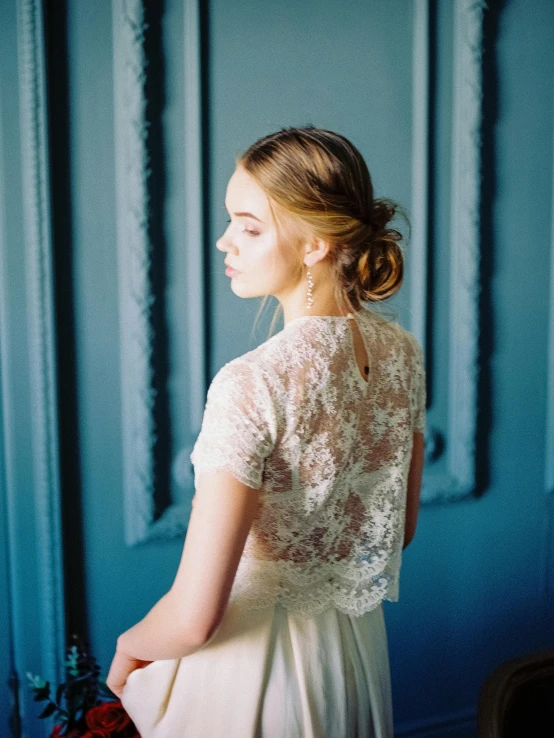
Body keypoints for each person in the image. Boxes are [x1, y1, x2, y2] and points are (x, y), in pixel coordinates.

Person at [109, 125, 426, 738]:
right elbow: (398, 530)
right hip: (351, 655)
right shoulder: (401, 354)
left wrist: (128, 648)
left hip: (255, 671)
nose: (225, 240)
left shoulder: (251, 384)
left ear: (315, 244)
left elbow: (194, 618)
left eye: (249, 226)